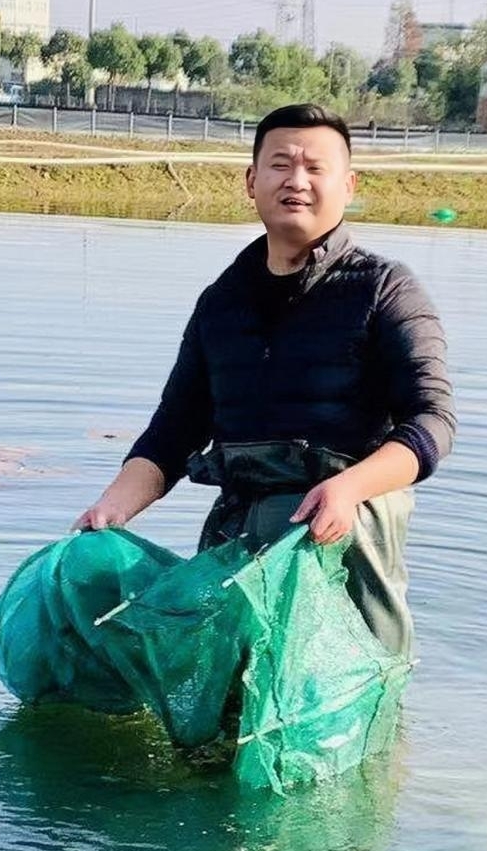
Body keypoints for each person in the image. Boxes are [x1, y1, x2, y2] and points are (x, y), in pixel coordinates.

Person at [73, 103, 456, 658]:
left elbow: (432, 422)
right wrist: (112, 508)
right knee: (228, 700)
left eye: (315, 167)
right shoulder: (222, 302)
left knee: (336, 708)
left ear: (347, 186)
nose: (296, 180)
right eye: (280, 164)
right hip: (240, 537)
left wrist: (348, 488)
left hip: (343, 536)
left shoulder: (386, 290)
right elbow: (173, 434)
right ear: (252, 182)